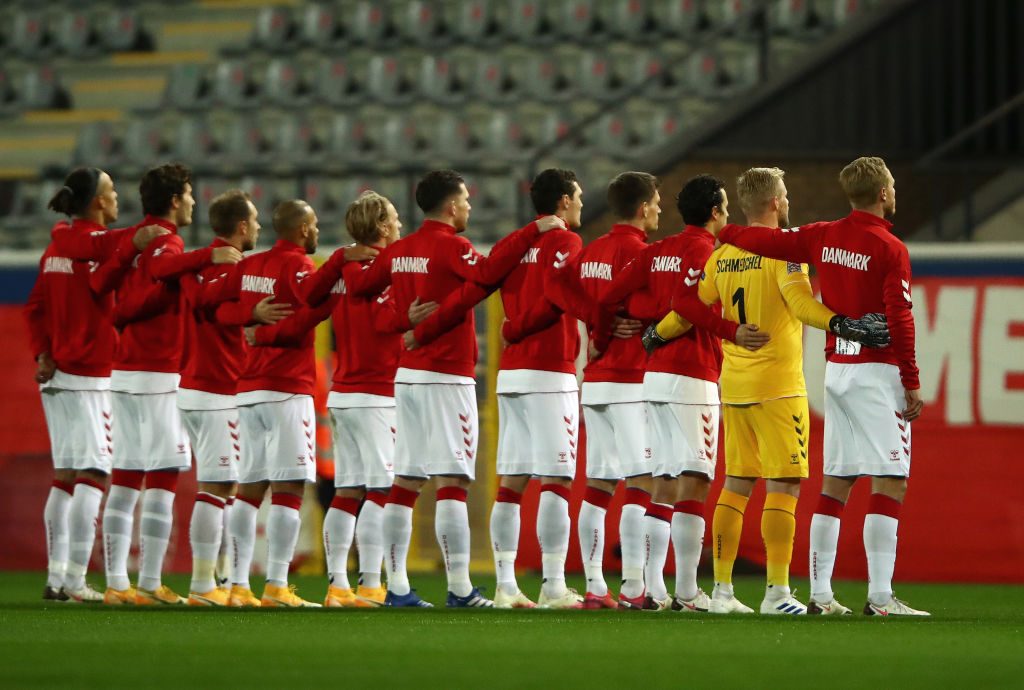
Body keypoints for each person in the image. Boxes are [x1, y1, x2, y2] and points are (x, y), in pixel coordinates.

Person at [306, 169, 561, 607]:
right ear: (450, 205)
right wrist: (531, 232)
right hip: (445, 375)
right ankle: (460, 587)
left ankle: (396, 586)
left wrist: (349, 257)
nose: (469, 207)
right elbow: (488, 275)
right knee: (452, 484)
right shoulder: (454, 247)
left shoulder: (400, 251)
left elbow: (365, 290)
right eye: (464, 200)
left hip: (404, 379)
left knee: (402, 484)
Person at [647, 167, 889, 615]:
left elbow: (690, 309)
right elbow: (799, 303)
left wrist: (656, 335)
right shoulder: (785, 254)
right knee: (785, 484)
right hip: (778, 387)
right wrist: (840, 322)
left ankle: (721, 592)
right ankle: (777, 592)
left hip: (734, 387)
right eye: (786, 193)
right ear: (776, 202)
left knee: (736, 484)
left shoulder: (722, 256)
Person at [717, 157, 927, 616]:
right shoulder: (891, 249)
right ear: (885, 194)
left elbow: (762, 239)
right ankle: (880, 597)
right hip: (876, 370)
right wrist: (910, 382)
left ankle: (820, 593)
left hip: (835, 370)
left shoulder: (824, 234)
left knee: (836, 482)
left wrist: (725, 232)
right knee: (891, 480)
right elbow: (900, 319)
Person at [601, 174, 770, 611]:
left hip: (653, 376)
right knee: (695, 480)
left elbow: (610, 294)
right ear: (715, 211)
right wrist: (732, 330)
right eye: (725, 207)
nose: (728, 213)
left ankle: (654, 588)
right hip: (691, 375)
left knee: (664, 481)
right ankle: (687, 591)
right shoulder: (702, 251)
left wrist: (639, 314)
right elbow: (687, 303)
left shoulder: (658, 250)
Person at [93, 163, 241, 606]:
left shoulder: (128, 239)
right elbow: (163, 268)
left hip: (123, 373)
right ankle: (149, 582)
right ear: (175, 200)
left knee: (124, 479)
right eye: (190, 195)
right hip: (158, 375)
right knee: (160, 480)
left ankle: (117, 584)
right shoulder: (166, 240)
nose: (194, 202)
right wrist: (204, 258)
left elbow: (110, 296)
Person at [23, 167, 166, 602]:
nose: (118, 197)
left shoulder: (55, 250)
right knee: (94, 474)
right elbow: (113, 244)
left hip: (58, 375)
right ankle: (73, 579)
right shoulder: (92, 246)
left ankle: (55, 576)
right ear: (98, 202)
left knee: (65, 476)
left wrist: (42, 353)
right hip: (90, 375)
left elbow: (34, 308)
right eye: (112, 191)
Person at [316, 192, 435, 608]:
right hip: (376, 394)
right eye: (396, 219)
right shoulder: (382, 274)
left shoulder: (344, 271)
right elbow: (387, 319)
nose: (401, 224)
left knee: (347, 491)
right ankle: (369, 584)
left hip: (344, 392)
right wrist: (411, 319)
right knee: (381, 490)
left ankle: (337, 586)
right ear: (382, 227)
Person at [176, 189, 289, 606]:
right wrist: (250, 314)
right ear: (242, 227)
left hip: (196, 386)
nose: (259, 227)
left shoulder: (199, 264)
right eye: (255, 221)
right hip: (216, 388)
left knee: (223, 486)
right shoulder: (227, 265)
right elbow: (208, 304)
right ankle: (204, 585)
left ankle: (218, 580)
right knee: (218, 484)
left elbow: (199, 299)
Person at [570, 171, 661, 608]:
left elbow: (563, 291)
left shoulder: (592, 251)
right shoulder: (640, 253)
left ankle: (593, 586)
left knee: (600, 485)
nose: (660, 209)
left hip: (596, 381)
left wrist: (595, 324)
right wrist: (613, 322)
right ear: (643, 208)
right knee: (642, 480)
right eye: (657, 202)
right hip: (630, 379)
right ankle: (633, 586)